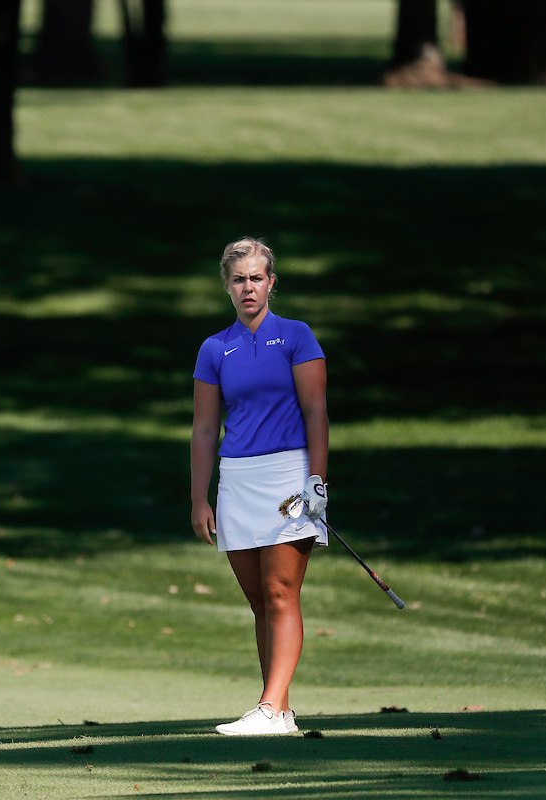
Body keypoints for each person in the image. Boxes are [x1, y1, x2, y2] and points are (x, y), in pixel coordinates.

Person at [190, 237, 329, 736]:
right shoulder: (214, 348)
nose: (248, 287)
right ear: (227, 286)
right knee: (258, 600)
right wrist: (198, 498)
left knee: (280, 591)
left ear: (271, 282)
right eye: (238, 279)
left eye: (256, 277)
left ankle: (268, 708)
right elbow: (205, 429)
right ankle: (282, 713)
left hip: (290, 476)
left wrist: (317, 481)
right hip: (238, 480)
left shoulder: (296, 336)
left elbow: (316, 412)